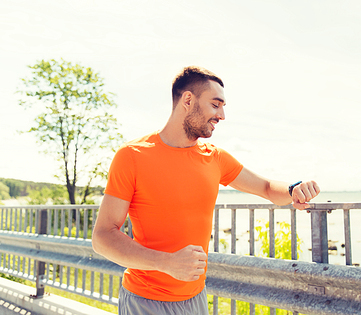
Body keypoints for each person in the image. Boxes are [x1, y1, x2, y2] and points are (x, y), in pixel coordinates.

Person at [92, 66, 320, 315]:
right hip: (145, 301)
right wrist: (166, 263)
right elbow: (103, 237)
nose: (221, 115)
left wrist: (293, 190)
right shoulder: (132, 156)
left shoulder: (215, 158)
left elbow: (266, 188)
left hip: (196, 299)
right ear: (188, 100)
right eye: (215, 104)